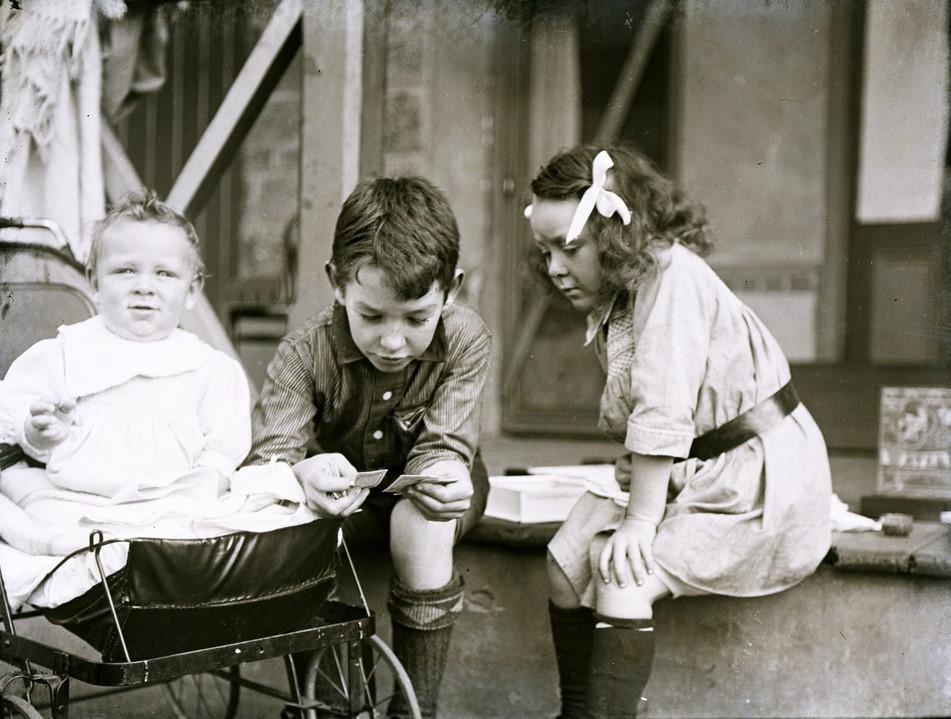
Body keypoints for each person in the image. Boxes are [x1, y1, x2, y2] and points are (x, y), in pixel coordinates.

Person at [525, 145, 832, 718]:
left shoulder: (670, 278)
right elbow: (663, 416)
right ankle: (580, 711)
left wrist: (641, 520)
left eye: (568, 249)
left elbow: (663, 408)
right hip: (701, 470)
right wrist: (650, 467)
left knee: (624, 575)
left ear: (615, 236)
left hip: (758, 480)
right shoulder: (624, 293)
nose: (555, 268)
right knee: (566, 559)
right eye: (545, 252)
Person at [0, 191, 322, 609]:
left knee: (248, 506)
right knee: (36, 522)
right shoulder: (64, 354)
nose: (144, 288)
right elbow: (21, 425)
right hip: (78, 501)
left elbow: (221, 451)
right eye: (125, 271)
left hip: (172, 507)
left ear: (192, 290)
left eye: (165, 275)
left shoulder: (208, 369)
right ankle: (91, 561)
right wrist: (39, 433)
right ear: (95, 284)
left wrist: (200, 494)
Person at [247, 176, 492, 719]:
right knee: (300, 526)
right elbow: (269, 462)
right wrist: (302, 475)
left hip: (431, 495)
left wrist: (450, 474)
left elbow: (444, 443)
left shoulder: (467, 338)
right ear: (337, 283)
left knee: (421, 518)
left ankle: (415, 709)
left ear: (450, 290)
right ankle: (332, 707)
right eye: (372, 315)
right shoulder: (302, 353)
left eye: (417, 319)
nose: (393, 341)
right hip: (341, 501)